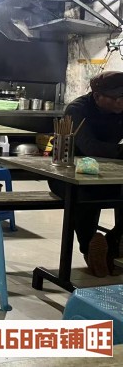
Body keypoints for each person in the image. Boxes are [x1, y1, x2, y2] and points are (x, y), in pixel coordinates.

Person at [48, 71, 123, 277]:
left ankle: (114, 242)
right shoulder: (77, 110)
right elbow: (89, 146)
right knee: (86, 195)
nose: (120, 102)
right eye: (116, 98)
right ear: (97, 96)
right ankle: (90, 247)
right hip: (66, 173)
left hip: (107, 172)